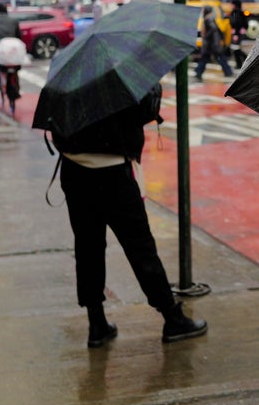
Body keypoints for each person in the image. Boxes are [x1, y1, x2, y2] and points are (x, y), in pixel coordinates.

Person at [50, 82, 208, 348]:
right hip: (113, 174)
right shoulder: (122, 76)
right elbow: (144, 111)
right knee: (140, 248)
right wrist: (151, 88)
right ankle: (172, 317)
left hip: (74, 171)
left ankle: (96, 322)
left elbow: (53, 123)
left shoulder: (68, 75)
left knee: (88, 247)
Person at [194, 5, 233, 82]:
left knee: (218, 58)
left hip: (211, 44)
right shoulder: (210, 18)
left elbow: (213, 28)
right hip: (213, 44)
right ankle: (199, 71)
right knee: (207, 58)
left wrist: (206, 36)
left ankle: (228, 71)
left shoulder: (208, 19)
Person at [227, 0, 249, 69]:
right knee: (236, 48)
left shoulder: (238, 13)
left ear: (235, 5)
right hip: (236, 33)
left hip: (237, 33)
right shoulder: (234, 12)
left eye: (232, 4)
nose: (231, 5)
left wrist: (236, 34)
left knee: (235, 49)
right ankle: (244, 60)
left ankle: (241, 62)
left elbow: (238, 24)